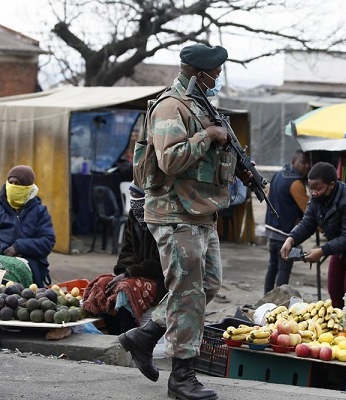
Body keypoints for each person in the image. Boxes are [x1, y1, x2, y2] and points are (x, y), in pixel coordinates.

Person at [118, 43, 248, 400]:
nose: (218, 78)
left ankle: (143, 336)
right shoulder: (171, 106)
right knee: (187, 293)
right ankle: (182, 375)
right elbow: (171, 159)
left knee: (206, 284)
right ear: (197, 71)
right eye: (215, 72)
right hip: (176, 213)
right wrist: (208, 136)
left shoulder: (200, 104)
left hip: (201, 212)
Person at [280, 162, 346, 308]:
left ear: (332, 185)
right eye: (311, 188)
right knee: (335, 294)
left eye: (318, 188)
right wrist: (291, 239)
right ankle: (337, 328)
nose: (314, 192)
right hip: (340, 250)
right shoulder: (316, 199)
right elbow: (307, 223)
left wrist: (322, 251)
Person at [82, 182, 166, 335]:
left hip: (158, 278)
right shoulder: (134, 217)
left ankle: (128, 339)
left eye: (137, 196)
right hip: (134, 274)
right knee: (104, 284)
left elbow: (159, 263)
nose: (133, 200)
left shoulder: (161, 221)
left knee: (125, 289)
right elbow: (127, 250)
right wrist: (122, 272)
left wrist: (129, 273)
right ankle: (113, 338)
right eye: (132, 196)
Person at [0, 165, 56, 287]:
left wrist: (19, 247)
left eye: (17, 183)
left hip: (30, 262)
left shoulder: (40, 211)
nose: (13, 186)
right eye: (10, 182)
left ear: (28, 187)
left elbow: (47, 241)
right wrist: (2, 251)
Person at [263, 150, 311, 294]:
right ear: (294, 162)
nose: (307, 166)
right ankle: (278, 304)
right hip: (285, 234)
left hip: (272, 230)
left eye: (308, 163)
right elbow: (308, 211)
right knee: (283, 269)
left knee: (272, 266)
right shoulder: (296, 182)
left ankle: (266, 299)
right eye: (303, 162)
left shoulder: (279, 174)